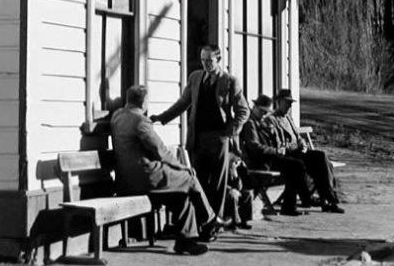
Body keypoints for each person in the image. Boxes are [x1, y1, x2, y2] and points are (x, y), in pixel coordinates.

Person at [110, 85, 221, 256]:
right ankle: (210, 220)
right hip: (145, 177)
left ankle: (186, 241)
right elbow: (160, 151)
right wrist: (183, 167)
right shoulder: (140, 121)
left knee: (181, 196)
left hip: (125, 180)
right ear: (144, 102)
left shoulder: (117, 117)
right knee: (189, 178)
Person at [152, 45, 248, 221]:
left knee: (218, 184)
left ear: (218, 60)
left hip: (218, 139)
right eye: (203, 60)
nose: (206, 64)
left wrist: (228, 133)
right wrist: (161, 117)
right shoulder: (195, 77)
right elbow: (182, 103)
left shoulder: (229, 81)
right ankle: (201, 221)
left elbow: (243, 111)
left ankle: (215, 221)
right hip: (197, 138)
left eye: (210, 60)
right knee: (199, 180)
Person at [271, 89, 344, 213]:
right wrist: (295, 145)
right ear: (279, 102)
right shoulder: (273, 119)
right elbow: (279, 144)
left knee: (321, 157)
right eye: (287, 103)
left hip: (299, 152)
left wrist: (303, 143)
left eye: (290, 104)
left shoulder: (288, 118)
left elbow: (298, 136)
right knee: (314, 164)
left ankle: (327, 200)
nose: (289, 106)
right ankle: (328, 199)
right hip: (289, 155)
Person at [241, 94, 313, 216]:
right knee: (295, 166)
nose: (264, 114)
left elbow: (271, 142)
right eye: (261, 111)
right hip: (261, 162)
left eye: (265, 112)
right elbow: (255, 147)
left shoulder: (261, 122)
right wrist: (276, 151)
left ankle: (293, 204)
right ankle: (300, 201)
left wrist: (273, 136)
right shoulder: (250, 123)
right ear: (255, 107)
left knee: (297, 164)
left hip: (271, 158)